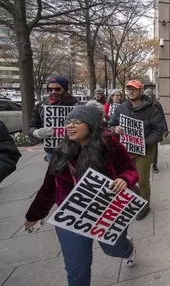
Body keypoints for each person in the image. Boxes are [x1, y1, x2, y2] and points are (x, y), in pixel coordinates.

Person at [24, 105, 139, 286]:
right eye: (68, 122)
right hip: (71, 215)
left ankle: (128, 249)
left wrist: (125, 179)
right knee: (77, 268)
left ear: (91, 125)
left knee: (114, 249)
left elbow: (131, 171)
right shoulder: (61, 151)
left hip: (106, 211)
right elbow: (48, 187)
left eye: (77, 122)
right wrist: (34, 215)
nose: (71, 126)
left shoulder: (110, 146)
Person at [110, 80, 165, 220]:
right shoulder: (120, 108)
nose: (131, 91)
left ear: (140, 90)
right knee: (127, 179)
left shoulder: (152, 109)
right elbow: (109, 126)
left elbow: (158, 131)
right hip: (125, 151)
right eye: (128, 89)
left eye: (134, 89)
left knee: (143, 180)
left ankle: (144, 206)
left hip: (144, 151)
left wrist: (143, 143)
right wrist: (114, 129)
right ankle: (137, 198)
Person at [29, 76, 79, 162]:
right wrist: (36, 132)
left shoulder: (77, 106)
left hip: (73, 150)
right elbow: (31, 127)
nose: (53, 92)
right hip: (51, 152)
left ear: (65, 89)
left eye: (57, 89)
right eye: (50, 89)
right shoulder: (40, 106)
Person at [143, 89, 168, 174]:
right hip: (144, 129)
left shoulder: (157, 105)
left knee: (154, 149)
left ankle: (154, 165)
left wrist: (165, 129)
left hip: (154, 129)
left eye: (150, 95)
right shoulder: (140, 104)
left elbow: (162, 117)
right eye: (146, 95)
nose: (148, 97)